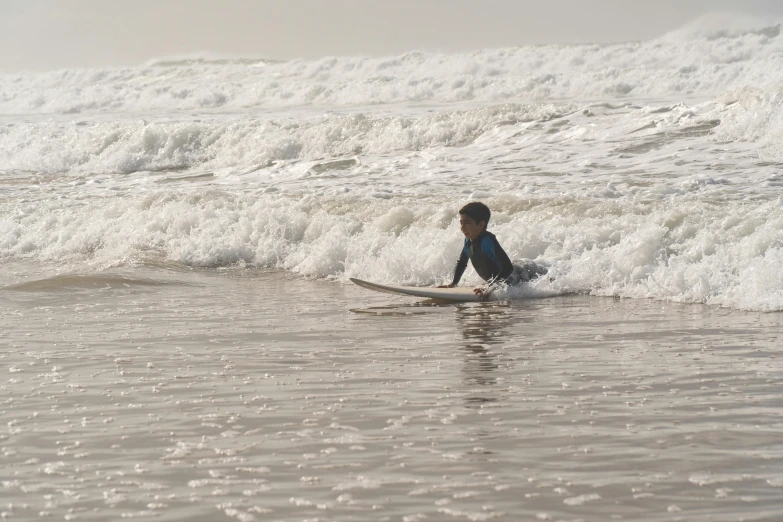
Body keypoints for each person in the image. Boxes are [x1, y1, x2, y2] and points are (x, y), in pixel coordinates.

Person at [438, 202, 547, 299]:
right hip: (505, 276)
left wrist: (489, 287)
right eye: (461, 223)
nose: (462, 228)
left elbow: (507, 267)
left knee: (546, 278)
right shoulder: (468, 242)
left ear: (481, 224)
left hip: (519, 274)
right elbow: (462, 263)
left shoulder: (487, 241)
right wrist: (453, 283)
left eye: (466, 223)